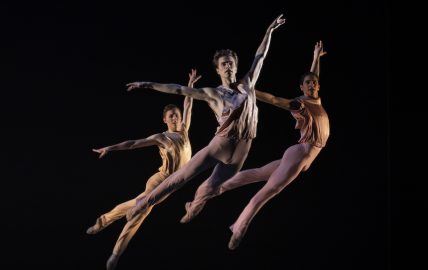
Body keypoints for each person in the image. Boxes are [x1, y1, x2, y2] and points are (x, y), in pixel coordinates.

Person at [125, 14, 286, 222]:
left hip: (241, 152)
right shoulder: (213, 93)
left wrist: (269, 31)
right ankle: (144, 204)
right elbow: (179, 90)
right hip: (220, 145)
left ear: (236, 67)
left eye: (230, 63)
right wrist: (148, 84)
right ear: (218, 69)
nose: (228, 66)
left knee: (210, 188)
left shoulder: (248, 84)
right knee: (181, 177)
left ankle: (192, 206)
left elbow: (260, 57)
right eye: (224, 64)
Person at [206, 40, 329, 250]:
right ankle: (239, 229)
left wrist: (316, 58)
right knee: (267, 192)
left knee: (257, 173)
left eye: (314, 82)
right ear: (301, 87)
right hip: (300, 154)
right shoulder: (300, 104)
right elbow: (273, 99)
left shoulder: (315, 97)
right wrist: (250, 91)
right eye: (307, 83)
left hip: (303, 157)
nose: (311, 85)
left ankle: (214, 188)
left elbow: (313, 77)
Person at [87, 69, 201, 270]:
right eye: (171, 116)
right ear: (165, 120)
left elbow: (189, 104)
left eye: (177, 115)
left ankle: (103, 220)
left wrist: (190, 86)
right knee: (141, 210)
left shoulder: (184, 131)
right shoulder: (162, 137)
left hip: (173, 184)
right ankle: (116, 254)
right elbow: (133, 144)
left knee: (136, 204)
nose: (176, 118)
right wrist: (110, 148)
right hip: (160, 179)